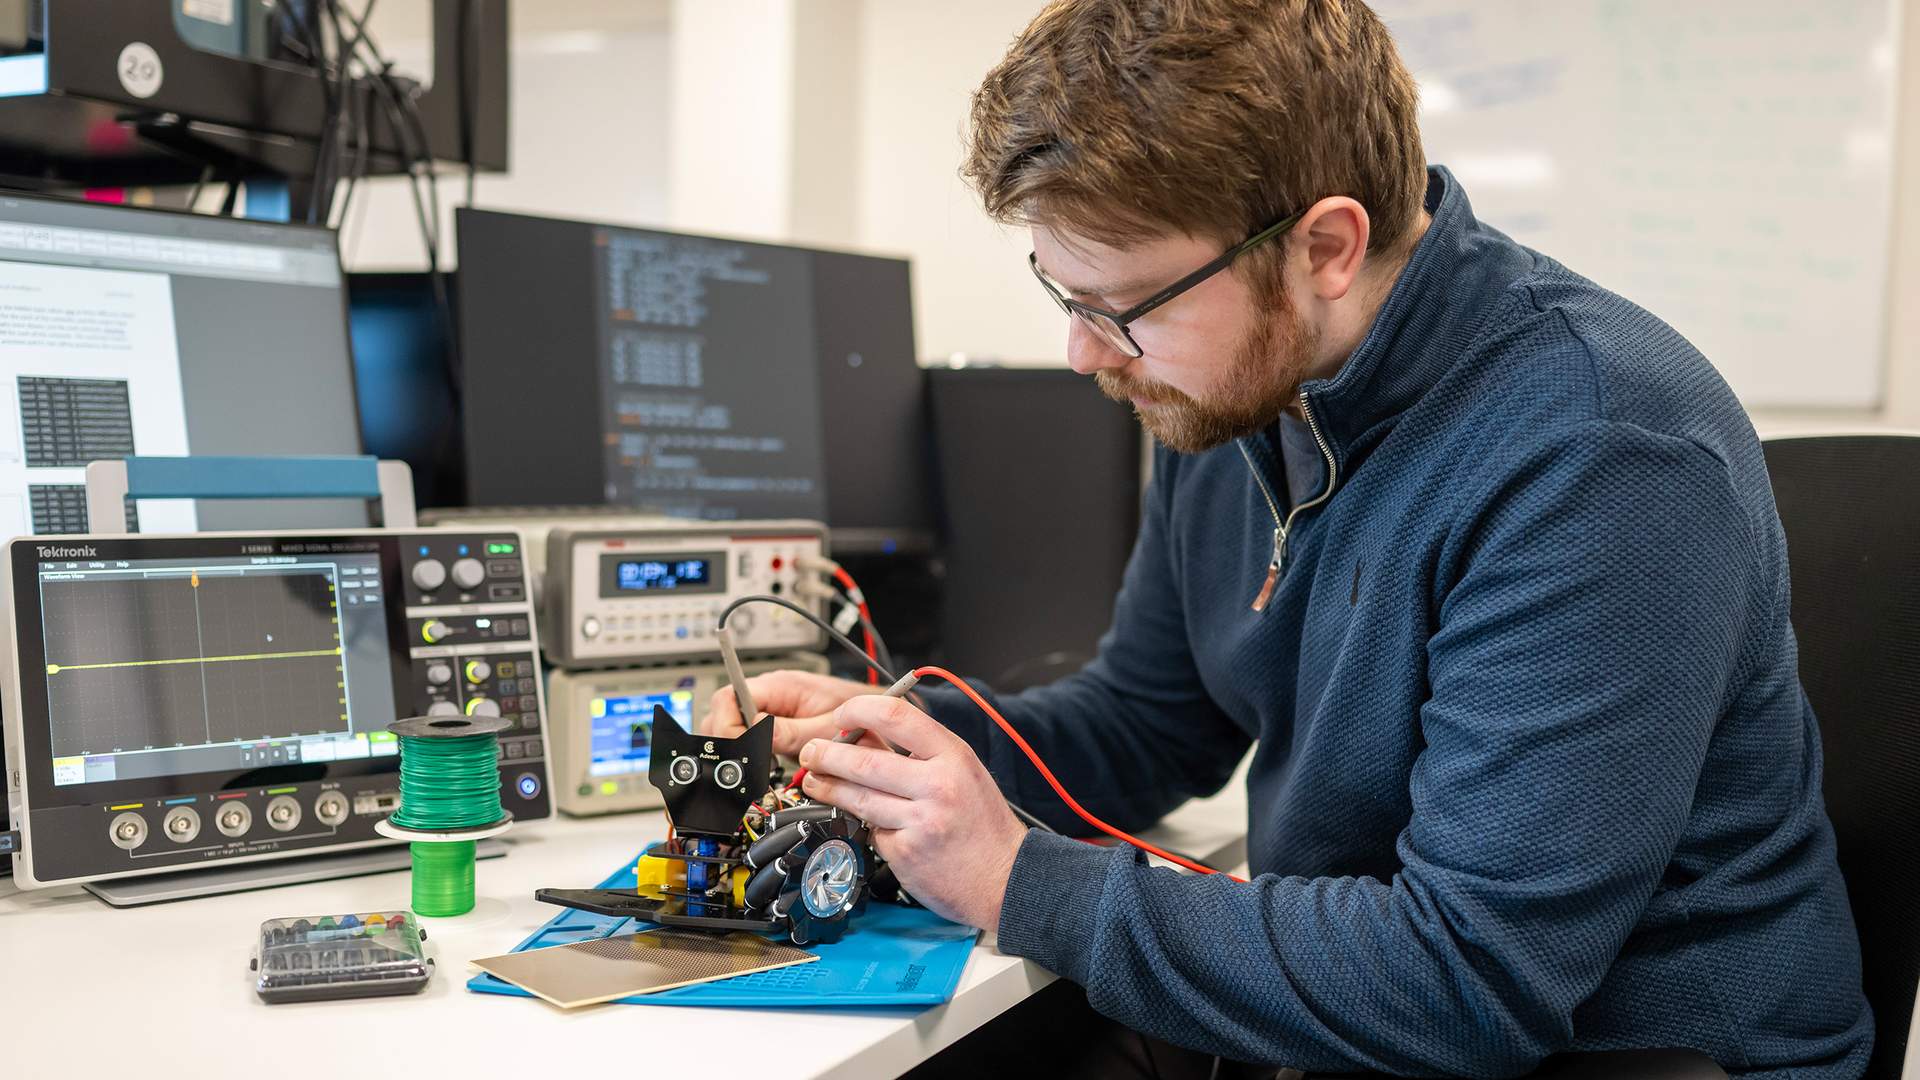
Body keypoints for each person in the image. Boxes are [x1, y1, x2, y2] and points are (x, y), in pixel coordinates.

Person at [705, 1, 1872, 1075]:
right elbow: (1151, 722)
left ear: (1325, 247)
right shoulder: (1239, 388)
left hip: (1629, 1058)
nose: (1085, 354)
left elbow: (1468, 978)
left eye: (1124, 308)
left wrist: (1017, 879)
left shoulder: (1599, 448)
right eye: (1064, 297)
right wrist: (902, 753)